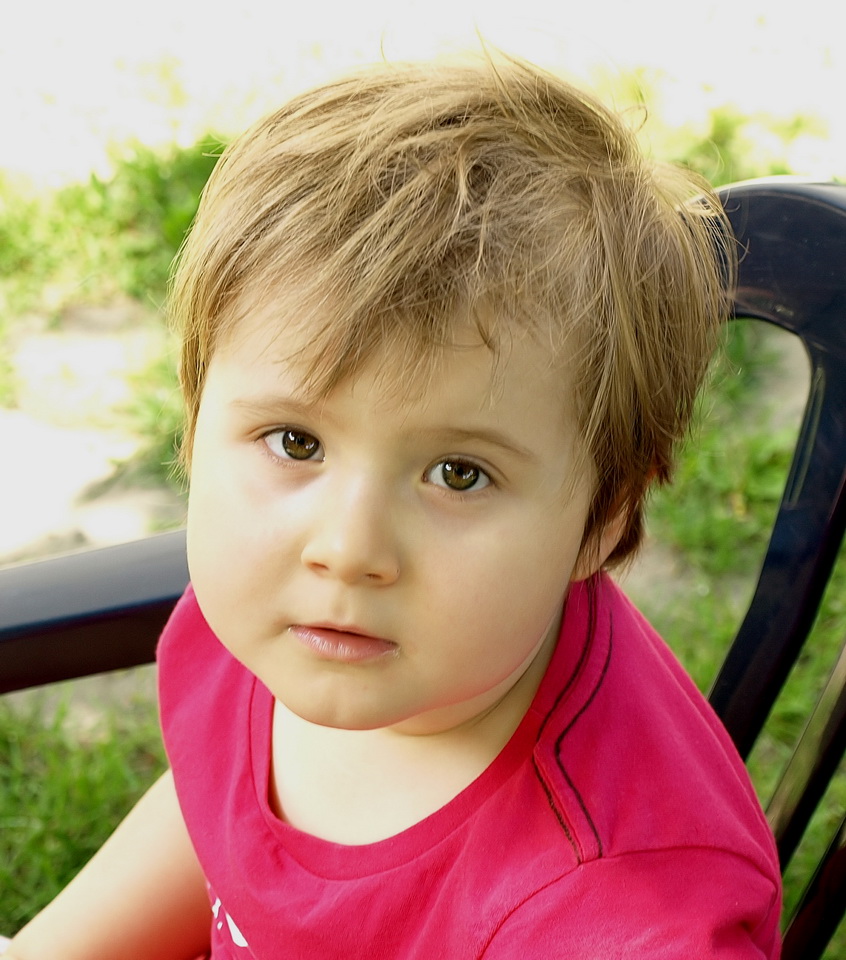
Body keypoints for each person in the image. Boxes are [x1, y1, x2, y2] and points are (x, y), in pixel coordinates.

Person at [6, 51, 782, 959]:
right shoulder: (287, 628)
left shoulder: (617, 920)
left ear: (603, 518)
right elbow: (217, 801)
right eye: (296, 443)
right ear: (195, 420)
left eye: (458, 473)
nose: (346, 547)